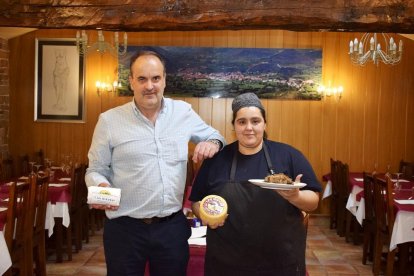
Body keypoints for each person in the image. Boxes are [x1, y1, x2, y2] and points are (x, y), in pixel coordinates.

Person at [85, 50, 225, 276]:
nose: (149, 85)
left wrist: (212, 143)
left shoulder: (183, 112)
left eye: (155, 78)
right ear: (131, 82)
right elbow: (96, 169)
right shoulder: (109, 121)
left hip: (171, 229)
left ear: (164, 80)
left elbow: (217, 136)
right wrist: (100, 186)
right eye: (142, 79)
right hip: (124, 230)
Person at [190, 92, 321, 276]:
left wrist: (296, 196)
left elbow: (314, 201)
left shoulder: (289, 156)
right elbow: (196, 201)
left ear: (265, 124)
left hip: (281, 263)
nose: (249, 128)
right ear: (234, 126)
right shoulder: (216, 160)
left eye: (255, 121)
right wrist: (206, 215)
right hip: (226, 264)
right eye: (242, 122)